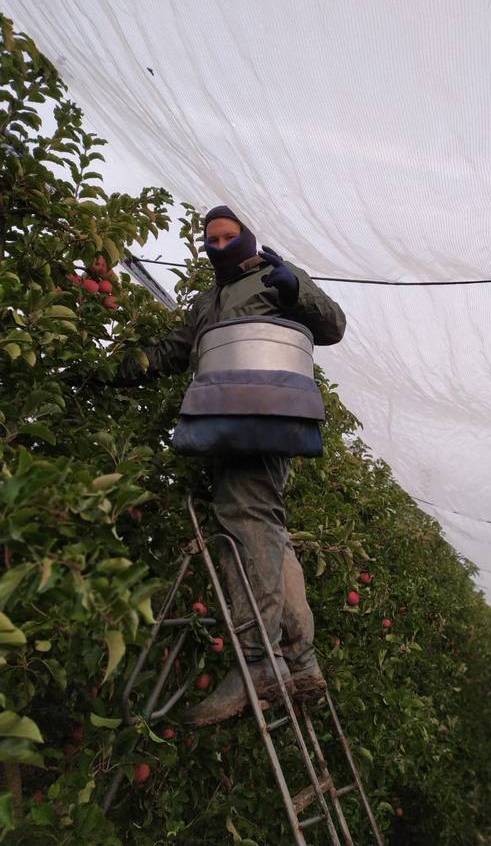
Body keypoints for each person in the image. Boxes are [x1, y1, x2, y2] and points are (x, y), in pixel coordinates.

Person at [115, 205, 346, 726]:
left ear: (247, 237)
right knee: (266, 528)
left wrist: (295, 290)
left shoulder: (273, 276)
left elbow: (333, 325)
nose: (219, 246)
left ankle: (259, 662)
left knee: (244, 519)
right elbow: (172, 352)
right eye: (211, 240)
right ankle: (300, 659)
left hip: (266, 414)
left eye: (228, 237)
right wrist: (117, 370)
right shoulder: (205, 302)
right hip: (223, 420)